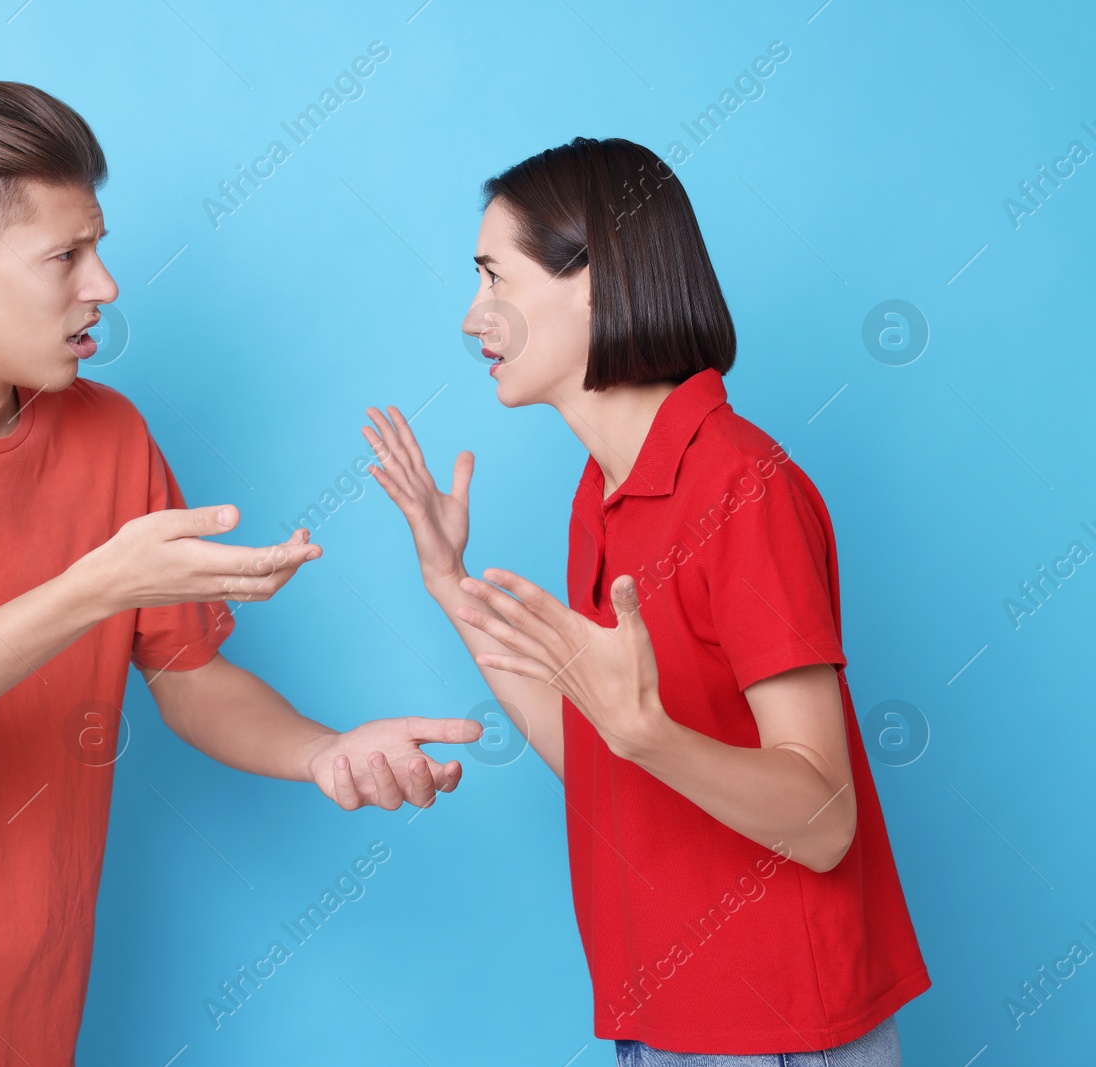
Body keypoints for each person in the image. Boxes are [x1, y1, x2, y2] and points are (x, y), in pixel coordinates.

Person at [0, 80, 480, 1066]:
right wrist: (96, 586)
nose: (102, 284)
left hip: (26, 1023)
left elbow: (191, 677)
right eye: (65, 257)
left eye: (96, 248)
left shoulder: (110, 434)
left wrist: (322, 751)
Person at [363, 137, 930, 1062]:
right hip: (658, 1022)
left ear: (594, 279)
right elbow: (601, 761)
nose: (474, 318)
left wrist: (647, 733)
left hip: (779, 1032)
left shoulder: (741, 486)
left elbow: (825, 822)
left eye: (494, 278)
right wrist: (449, 585)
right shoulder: (603, 490)